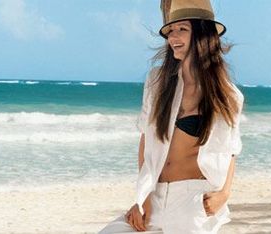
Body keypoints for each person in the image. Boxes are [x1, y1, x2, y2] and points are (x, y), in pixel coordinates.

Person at [99, 0, 244, 233]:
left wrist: (224, 194)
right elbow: (146, 137)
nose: (173, 37)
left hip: (194, 200)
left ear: (202, 35)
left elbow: (232, 149)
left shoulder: (228, 95)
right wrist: (143, 196)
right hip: (155, 196)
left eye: (182, 29)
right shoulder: (157, 82)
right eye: (170, 31)